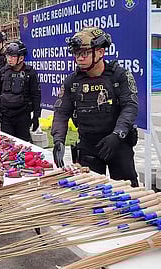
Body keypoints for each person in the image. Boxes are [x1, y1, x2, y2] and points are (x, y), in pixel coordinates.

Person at [51, 27, 139, 187]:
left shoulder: (119, 76)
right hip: (87, 146)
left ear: (100, 52)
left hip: (117, 143)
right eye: (77, 54)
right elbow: (61, 112)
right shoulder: (72, 81)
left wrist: (117, 135)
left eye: (84, 53)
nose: (79, 58)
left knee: (127, 194)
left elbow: (130, 107)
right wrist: (58, 140)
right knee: (89, 194)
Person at [0, 40, 41, 142]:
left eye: (12, 56)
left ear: (21, 58)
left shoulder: (30, 73)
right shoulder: (3, 72)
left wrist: (36, 116)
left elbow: (36, 95)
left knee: (24, 145)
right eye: (8, 56)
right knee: (7, 145)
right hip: (5, 116)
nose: (9, 59)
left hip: (23, 116)